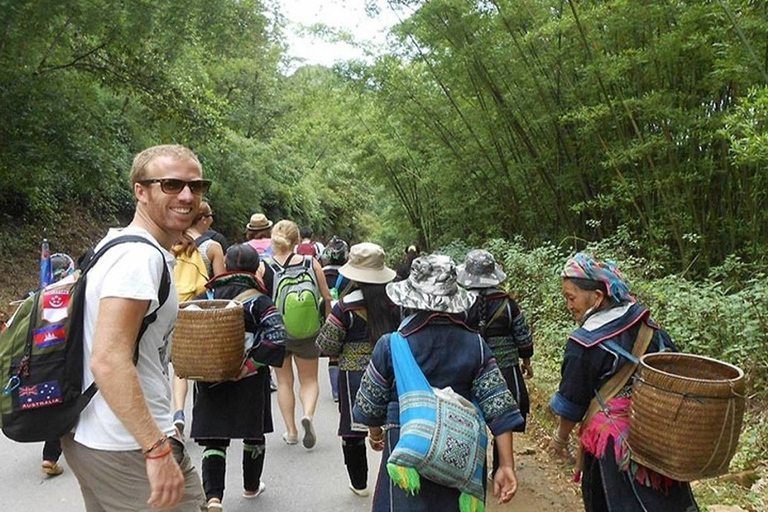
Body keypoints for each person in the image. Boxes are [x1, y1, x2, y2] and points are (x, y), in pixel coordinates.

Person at [60, 144, 207, 511]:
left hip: (102, 436)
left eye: (196, 186)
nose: (187, 196)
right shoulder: (140, 258)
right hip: (127, 444)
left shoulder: (118, 246)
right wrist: (157, 449)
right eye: (171, 185)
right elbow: (108, 359)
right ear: (141, 191)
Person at [354, 254, 523, 511]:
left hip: (407, 448)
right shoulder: (475, 344)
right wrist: (507, 466)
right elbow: (498, 407)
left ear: (408, 300)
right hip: (460, 453)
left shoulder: (391, 345)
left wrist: (376, 434)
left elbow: (369, 407)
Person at [550, 252, 700, 512]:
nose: (568, 305)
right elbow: (672, 371)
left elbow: (571, 402)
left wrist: (560, 440)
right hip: (658, 432)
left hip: (613, 447)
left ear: (597, 297)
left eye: (570, 297)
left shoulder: (584, 343)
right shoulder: (650, 327)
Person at [190, 243, 286, 510]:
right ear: (256, 268)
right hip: (250, 379)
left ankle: (213, 498)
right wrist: (250, 366)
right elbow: (277, 337)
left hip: (211, 378)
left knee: (213, 438)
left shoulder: (206, 296)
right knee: (253, 433)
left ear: (226, 267)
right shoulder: (259, 300)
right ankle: (251, 486)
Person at [316, 243, 398, 497]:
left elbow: (327, 344)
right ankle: (397, 481)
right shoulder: (397, 301)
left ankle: (360, 484)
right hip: (393, 370)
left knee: (353, 430)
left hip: (353, 374)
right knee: (395, 423)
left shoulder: (345, 306)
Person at [458, 249, 534, 475]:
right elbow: (522, 336)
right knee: (503, 416)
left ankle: (472, 468)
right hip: (505, 367)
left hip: (469, 365)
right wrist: (526, 361)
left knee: (469, 415)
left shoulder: (460, 302)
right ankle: (500, 467)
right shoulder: (508, 304)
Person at [257, 220, 332, 449]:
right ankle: (307, 415)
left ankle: (291, 431)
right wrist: (328, 323)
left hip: (277, 331)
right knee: (309, 380)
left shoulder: (264, 267)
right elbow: (326, 297)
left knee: (283, 382)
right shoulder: (311, 263)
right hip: (307, 331)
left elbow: (260, 300)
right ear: (297, 240)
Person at [172, 201, 226, 435]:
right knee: (205, 361)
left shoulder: (172, 242)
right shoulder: (213, 247)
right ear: (203, 219)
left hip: (176, 305)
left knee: (179, 365)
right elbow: (221, 282)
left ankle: (178, 412)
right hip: (202, 308)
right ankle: (205, 414)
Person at [39, 252, 77, 477]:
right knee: (67, 405)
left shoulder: (37, 296)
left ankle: (50, 456)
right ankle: (51, 456)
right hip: (67, 358)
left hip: (42, 359)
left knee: (52, 403)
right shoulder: (72, 294)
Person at [319, 236, 350, 402]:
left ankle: (336, 391)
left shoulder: (320, 273)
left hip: (326, 316)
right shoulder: (348, 275)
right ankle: (344, 387)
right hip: (345, 316)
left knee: (332, 355)